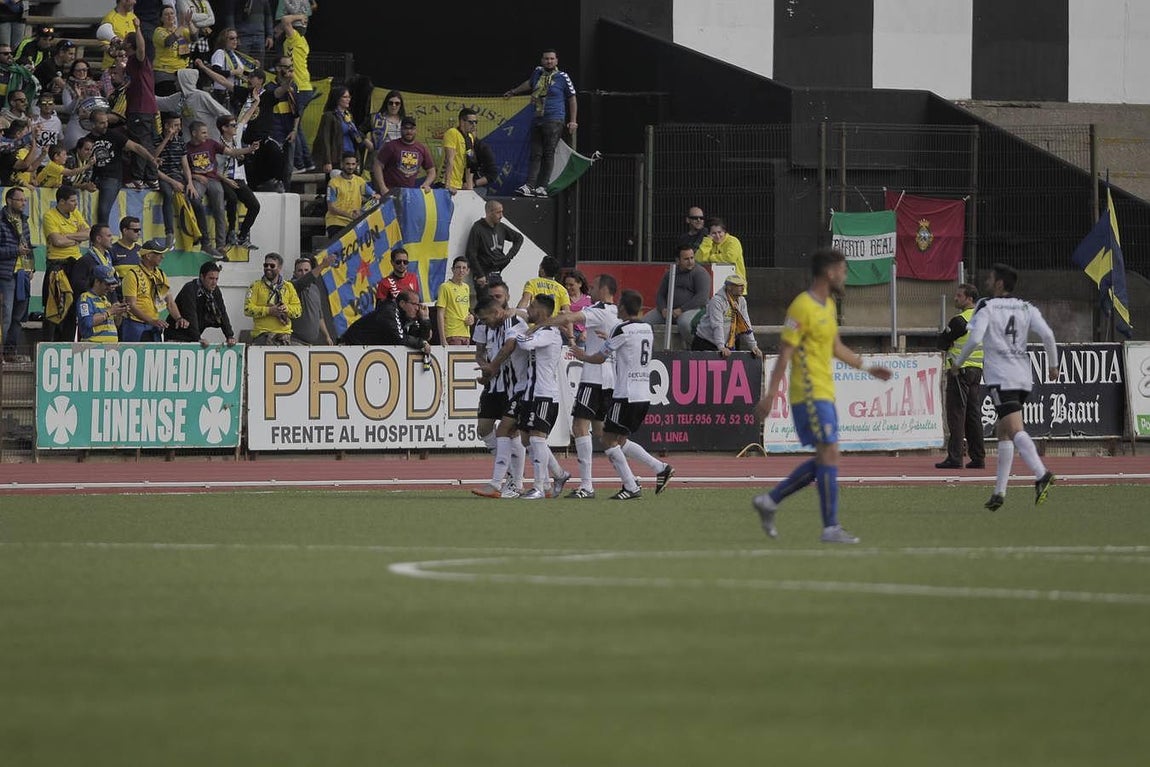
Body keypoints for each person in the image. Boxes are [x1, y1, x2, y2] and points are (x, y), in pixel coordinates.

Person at [751, 248, 893, 544]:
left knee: (827, 456)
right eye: (843, 270)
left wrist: (868, 367)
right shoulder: (801, 307)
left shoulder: (827, 305)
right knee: (830, 453)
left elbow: (835, 346)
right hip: (809, 393)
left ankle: (771, 500)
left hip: (825, 392)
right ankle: (829, 527)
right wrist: (771, 394)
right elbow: (785, 353)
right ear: (830, 273)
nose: (845, 276)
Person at [951, 263, 1058, 511]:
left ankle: (1042, 474)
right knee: (1003, 431)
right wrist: (1053, 366)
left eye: (991, 278)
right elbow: (1048, 336)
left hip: (1001, 378)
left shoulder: (986, 306)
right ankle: (999, 493)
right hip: (1023, 377)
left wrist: (958, 363)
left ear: (999, 283)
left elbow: (975, 339)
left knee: (1014, 428)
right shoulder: (1026, 307)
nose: (988, 281)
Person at [570, 289, 674, 500]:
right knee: (620, 440)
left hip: (625, 394)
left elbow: (600, 357)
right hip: (644, 394)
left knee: (608, 440)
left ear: (623, 308)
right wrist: (610, 338)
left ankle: (631, 485)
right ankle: (660, 467)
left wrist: (583, 355)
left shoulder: (621, 328)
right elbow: (630, 346)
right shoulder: (647, 328)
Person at [532, 273, 619, 498]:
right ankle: (638, 477)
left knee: (580, 428)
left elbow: (571, 318)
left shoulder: (599, 310)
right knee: (603, 434)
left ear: (605, 289)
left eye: (596, 285)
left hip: (594, 377)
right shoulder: (614, 311)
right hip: (607, 377)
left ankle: (587, 486)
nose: (592, 289)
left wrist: (544, 322)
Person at [505, 294, 571, 500]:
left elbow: (524, 344)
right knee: (526, 439)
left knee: (536, 438)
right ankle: (559, 474)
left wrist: (519, 331)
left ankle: (539, 487)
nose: (529, 311)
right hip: (531, 394)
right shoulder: (542, 329)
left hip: (544, 394)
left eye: (532, 307)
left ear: (541, 312)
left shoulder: (550, 332)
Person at [505, 48, 576, 198]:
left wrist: (573, 121)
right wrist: (514, 91)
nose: (549, 61)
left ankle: (543, 187)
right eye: (546, 58)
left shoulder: (563, 77)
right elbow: (529, 84)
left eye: (552, 59)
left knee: (548, 153)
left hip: (554, 119)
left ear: (556, 61)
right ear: (542, 60)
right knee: (535, 153)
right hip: (538, 118)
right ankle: (530, 186)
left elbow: (572, 98)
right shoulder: (538, 72)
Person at [935, 283, 986, 470]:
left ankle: (955, 457)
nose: (955, 298)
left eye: (959, 296)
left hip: (960, 371)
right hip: (977, 370)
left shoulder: (959, 320)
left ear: (970, 299)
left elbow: (942, 342)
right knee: (973, 415)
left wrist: (945, 339)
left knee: (956, 414)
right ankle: (978, 457)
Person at [186, 118, 254, 256]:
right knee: (194, 199)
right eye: (203, 132)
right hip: (198, 180)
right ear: (194, 133)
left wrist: (249, 149)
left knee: (219, 209)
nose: (206, 135)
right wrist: (194, 177)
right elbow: (183, 168)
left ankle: (220, 244)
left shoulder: (211, 143)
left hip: (213, 179)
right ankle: (205, 241)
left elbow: (231, 152)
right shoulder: (186, 148)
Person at [86, 108, 159, 229]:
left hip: (111, 177)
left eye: (106, 121)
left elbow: (136, 147)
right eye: (101, 123)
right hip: (94, 177)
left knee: (103, 211)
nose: (106, 125)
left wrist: (152, 159)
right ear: (93, 124)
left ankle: (102, 239)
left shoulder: (113, 135)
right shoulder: (87, 139)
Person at [41, 185, 90, 342]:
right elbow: (57, 241)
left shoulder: (75, 213)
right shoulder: (50, 216)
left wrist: (67, 236)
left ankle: (67, 344)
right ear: (62, 202)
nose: (76, 204)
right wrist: (76, 237)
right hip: (58, 266)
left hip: (75, 264)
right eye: (72, 201)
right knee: (54, 306)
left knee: (72, 307)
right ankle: (49, 344)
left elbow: (89, 233)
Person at [122, 239, 188, 341]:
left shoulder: (160, 275)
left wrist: (179, 318)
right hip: (135, 325)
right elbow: (131, 305)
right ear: (148, 256)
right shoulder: (132, 275)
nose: (162, 257)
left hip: (153, 325)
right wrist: (151, 320)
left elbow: (169, 302)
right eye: (159, 254)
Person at [641, 246, 710, 345]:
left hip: (693, 309)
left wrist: (681, 309)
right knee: (644, 322)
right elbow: (660, 294)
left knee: (684, 324)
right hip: (669, 310)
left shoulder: (700, 273)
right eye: (686, 259)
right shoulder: (670, 273)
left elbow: (702, 298)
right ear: (678, 260)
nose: (690, 261)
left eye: (692, 258)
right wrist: (663, 309)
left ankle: (695, 347)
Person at [692, 273, 763, 358]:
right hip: (705, 342)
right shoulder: (717, 301)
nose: (742, 288)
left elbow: (746, 324)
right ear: (729, 287)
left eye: (743, 285)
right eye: (739, 285)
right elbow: (717, 325)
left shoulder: (742, 301)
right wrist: (721, 347)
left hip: (726, 344)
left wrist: (753, 346)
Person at [167, 259, 236, 345]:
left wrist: (229, 336)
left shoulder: (215, 291)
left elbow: (222, 313)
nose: (214, 282)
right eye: (211, 278)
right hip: (176, 336)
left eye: (216, 279)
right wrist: (198, 338)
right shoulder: (190, 288)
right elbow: (190, 315)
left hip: (193, 337)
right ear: (201, 277)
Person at [216, 114, 259, 248]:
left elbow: (244, 119)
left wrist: (256, 101)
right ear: (224, 128)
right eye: (232, 125)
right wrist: (249, 149)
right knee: (232, 198)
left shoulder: (236, 137)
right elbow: (212, 168)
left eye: (235, 125)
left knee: (255, 206)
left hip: (237, 178)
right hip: (222, 178)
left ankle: (243, 236)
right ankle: (231, 232)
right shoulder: (216, 145)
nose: (235, 127)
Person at [339, 289, 431, 349]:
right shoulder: (389, 311)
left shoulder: (408, 317)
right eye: (415, 304)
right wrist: (422, 343)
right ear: (402, 303)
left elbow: (422, 338)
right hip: (350, 346)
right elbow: (400, 338)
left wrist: (425, 320)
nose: (417, 309)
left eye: (419, 305)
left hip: (367, 350)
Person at [279, 13, 314, 172]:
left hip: (300, 88)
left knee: (294, 128)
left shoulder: (296, 39)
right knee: (297, 128)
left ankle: (299, 164)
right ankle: (308, 162)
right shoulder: (293, 41)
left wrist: (301, 15)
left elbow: (285, 21)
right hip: (303, 87)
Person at [465, 199, 523, 294]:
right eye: (498, 212)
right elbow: (471, 253)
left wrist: (509, 256)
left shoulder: (501, 227)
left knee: (500, 301)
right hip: (484, 274)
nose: (501, 216)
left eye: (501, 212)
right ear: (489, 212)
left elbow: (519, 238)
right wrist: (480, 274)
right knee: (487, 304)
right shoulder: (478, 228)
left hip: (497, 273)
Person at [0, 185, 30, 360]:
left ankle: (10, 352)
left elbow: (28, 246)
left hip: (23, 274)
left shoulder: (24, 220)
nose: (23, 203)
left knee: (18, 317)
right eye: (20, 200)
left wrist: (30, 267)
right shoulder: (1, 221)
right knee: (6, 315)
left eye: (24, 200)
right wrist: (15, 251)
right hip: (6, 275)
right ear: (9, 201)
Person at [245, 251, 301, 345]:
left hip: (283, 336)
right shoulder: (255, 286)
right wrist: (269, 310)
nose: (268, 268)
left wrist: (286, 309)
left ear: (279, 268)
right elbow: (247, 309)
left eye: (272, 266)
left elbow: (298, 311)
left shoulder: (288, 287)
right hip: (262, 336)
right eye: (265, 265)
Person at [372, 115, 435, 195]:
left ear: (415, 130)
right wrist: (383, 187)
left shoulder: (422, 148)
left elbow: (432, 171)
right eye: (406, 128)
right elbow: (377, 166)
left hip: (409, 194)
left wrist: (426, 184)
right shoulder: (391, 146)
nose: (409, 131)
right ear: (400, 129)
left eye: (411, 128)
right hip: (390, 192)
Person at [313, 86, 367, 174]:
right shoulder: (329, 116)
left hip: (351, 156)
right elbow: (325, 139)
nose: (348, 99)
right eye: (345, 97)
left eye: (349, 97)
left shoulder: (348, 116)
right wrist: (327, 161)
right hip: (338, 157)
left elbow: (357, 138)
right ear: (337, 98)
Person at [325, 151, 377, 237]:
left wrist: (362, 211)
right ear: (342, 164)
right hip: (336, 221)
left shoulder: (360, 181)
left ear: (356, 165)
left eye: (353, 164)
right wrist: (349, 215)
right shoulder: (333, 183)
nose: (350, 167)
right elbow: (331, 208)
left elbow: (376, 197)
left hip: (354, 222)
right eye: (348, 164)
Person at [76, 264, 128, 342]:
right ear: (97, 282)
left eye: (111, 284)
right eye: (107, 284)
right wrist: (109, 312)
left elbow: (116, 324)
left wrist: (119, 313)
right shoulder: (86, 298)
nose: (110, 287)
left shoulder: (105, 299)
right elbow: (87, 322)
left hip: (110, 347)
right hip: (93, 346)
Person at [152, 4, 195, 96]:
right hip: (165, 73)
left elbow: (194, 37)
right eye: (166, 14)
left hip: (182, 72)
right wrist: (183, 25)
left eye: (172, 13)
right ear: (161, 18)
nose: (170, 16)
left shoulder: (180, 30)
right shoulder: (159, 31)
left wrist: (189, 22)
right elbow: (168, 42)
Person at [695, 217, 748, 290]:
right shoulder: (709, 242)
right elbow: (699, 259)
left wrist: (711, 258)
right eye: (713, 233)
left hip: (736, 286)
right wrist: (707, 241)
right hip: (716, 285)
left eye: (719, 232)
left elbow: (730, 258)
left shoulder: (733, 241)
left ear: (724, 232)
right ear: (709, 234)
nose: (717, 236)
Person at [290, 255, 332, 345]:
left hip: (310, 344)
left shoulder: (315, 288)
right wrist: (322, 265)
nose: (303, 273)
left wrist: (327, 336)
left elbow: (319, 316)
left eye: (306, 270)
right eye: (300, 270)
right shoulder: (292, 286)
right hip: (295, 341)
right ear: (294, 273)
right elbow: (304, 281)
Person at [71, 223, 117, 298]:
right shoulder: (85, 261)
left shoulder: (109, 258)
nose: (112, 238)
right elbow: (77, 285)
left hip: (108, 303)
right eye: (109, 236)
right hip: (92, 305)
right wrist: (100, 287)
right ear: (98, 239)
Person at [436, 256, 472, 346]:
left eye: (464, 268)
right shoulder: (445, 287)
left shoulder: (466, 287)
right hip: (452, 333)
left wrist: (471, 317)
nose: (461, 270)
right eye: (458, 267)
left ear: (468, 271)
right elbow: (440, 313)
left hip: (466, 333)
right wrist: (442, 339)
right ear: (452, 269)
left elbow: (465, 310)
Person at [441, 107, 477, 194]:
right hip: (444, 181)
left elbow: (470, 163)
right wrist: (447, 184)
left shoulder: (470, 138)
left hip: (458, 183)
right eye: (471, 122)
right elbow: (450, 159)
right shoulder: (452, 133)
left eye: (476, 122)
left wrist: (470, 187)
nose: (474, 125)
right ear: (462, 121)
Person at [99, 0, 138, 70]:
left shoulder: (133, 17)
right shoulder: (110, 18)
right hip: (112, 69)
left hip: (129, 66)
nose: (135, 2)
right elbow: (104, 45)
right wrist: (116, 52)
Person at [366, 89, 404, 154]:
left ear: (400, 105)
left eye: (397, 103)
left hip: (398, 157)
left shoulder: (404, 120)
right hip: (379, 156)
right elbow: (359, 132)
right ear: (386, 103)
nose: (393, 106)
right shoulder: (376, 118)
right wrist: (368, 143)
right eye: (391, 103)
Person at [109, 215, 142, 280]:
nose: (139, 233)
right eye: (136, 230)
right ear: (125, 230)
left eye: (139, 230)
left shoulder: (141, 250)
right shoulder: (111, 250)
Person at [563, 269, 591, 344]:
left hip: (583, 335)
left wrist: (585, 331)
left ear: (580, 284)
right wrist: (564, 330)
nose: (568, 287)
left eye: (571, 285)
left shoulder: (588, 299)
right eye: (566, 284)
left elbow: (591, 318)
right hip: (565, 334)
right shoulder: (563, 298)